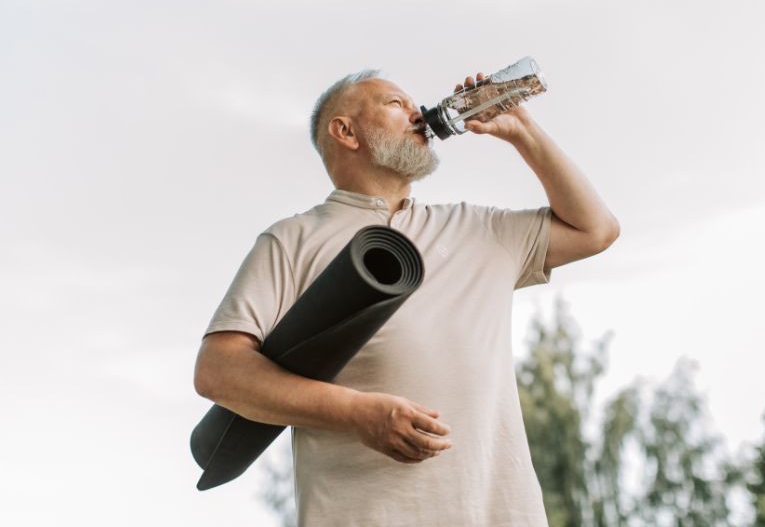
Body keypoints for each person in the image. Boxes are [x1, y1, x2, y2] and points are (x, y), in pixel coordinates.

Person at [193, 68, 620, 526]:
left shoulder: (480, 229)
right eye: (395, 103)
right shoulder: (292, 239)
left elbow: (595, 229)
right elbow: (218, 371)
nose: (417, 112)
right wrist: (357, 412)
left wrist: (523, 131)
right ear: (345, 131)